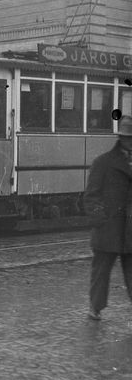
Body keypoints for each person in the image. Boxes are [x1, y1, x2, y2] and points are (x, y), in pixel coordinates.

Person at [83, 115, 132, 321]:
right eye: (127, 137)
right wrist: (100, 219)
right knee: (101, 273)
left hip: (131, 230)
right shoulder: (103, 162)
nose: (129, 141)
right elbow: (91, 195)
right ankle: (95, 308)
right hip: (108, 230)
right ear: (120, 138)